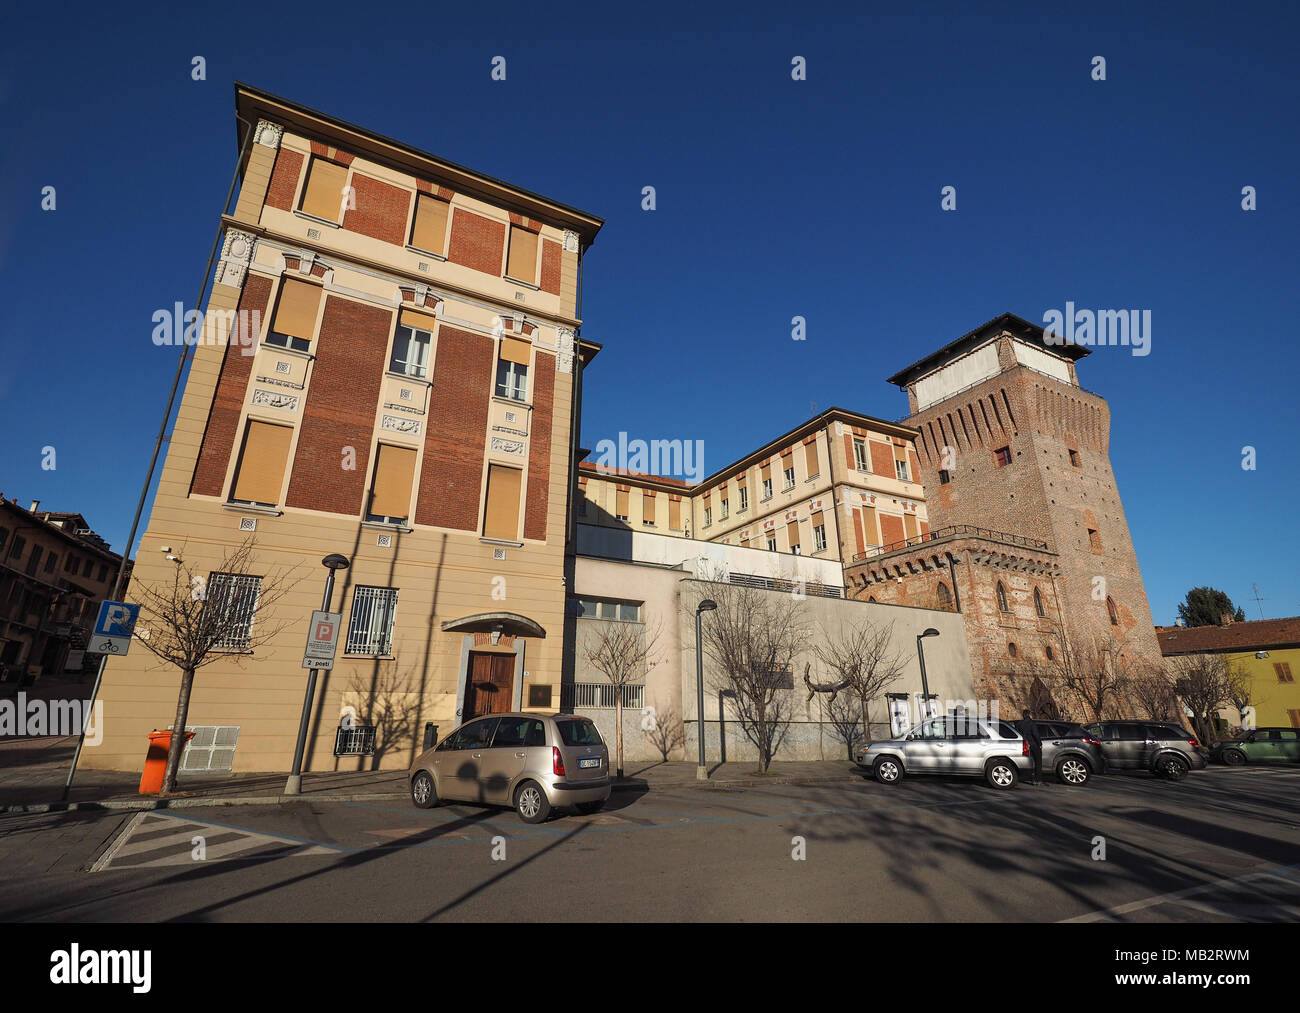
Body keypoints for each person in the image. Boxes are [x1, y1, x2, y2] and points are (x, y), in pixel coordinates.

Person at [1016, 709, 1043, 785]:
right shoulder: (1032, 723)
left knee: (1029, 763)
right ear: (1029, 714)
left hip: (1024, 744)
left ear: (1023, 715)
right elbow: (1035, 734)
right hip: (1034, 744)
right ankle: (1038, 780)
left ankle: (1031, 778)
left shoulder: (1019, 724)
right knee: (1038, 762)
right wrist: (1040, 743)